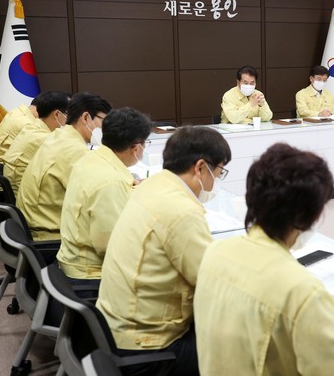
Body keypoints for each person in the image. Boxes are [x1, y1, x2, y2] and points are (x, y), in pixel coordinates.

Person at [195, 143, 334, 375]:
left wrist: (325, 304)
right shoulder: (301, 290)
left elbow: (259, 303)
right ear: (308, 216)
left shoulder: (216, 252)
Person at [96, 126, 232, 376]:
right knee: (249, 347)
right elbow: (216, 286)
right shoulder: (181, 212)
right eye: (219, 171)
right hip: (147, 349)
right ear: (200, 167)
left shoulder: (152, 186)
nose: (217, 179)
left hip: (113, 328)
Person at [57, 108, 152, 297]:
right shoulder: (110, 183)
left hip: (74, 262)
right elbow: (114, 249)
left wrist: (132, 188)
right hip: (91, 277)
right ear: (136, 148)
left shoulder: (93, 158)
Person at [16, 93, 111, 240]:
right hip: (49, 235)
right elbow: (98, 197)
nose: (105, 128)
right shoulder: (74, 149)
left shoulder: (59, 135)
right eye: (104, 121)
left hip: (32, 223)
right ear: (86, 117)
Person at [3, 91, 70, 194]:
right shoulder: (44, 138)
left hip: (18, 188)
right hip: (24, 194)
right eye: (68, 113)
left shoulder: (31, 127)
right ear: (57, 114)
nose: (69, 118)